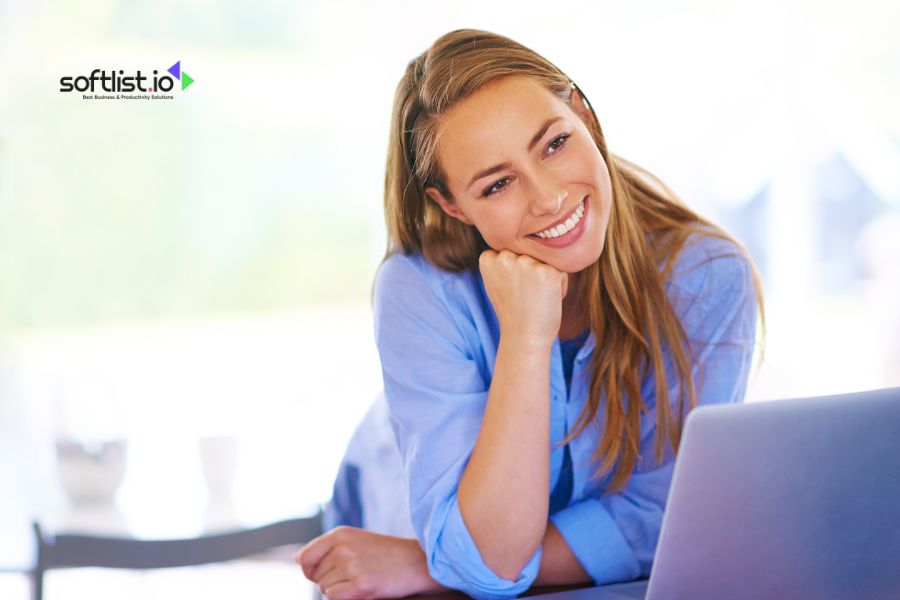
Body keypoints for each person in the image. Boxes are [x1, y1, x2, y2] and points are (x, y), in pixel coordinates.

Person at [295, 28, 764, 600]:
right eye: (496, 185)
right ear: (451, 204)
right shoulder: (419, 290)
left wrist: (428, 564)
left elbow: (663, 517)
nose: (547, 198)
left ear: (583, 115)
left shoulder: (705, 278)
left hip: (426, 563)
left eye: (553, 144)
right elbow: (487, 558)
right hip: (382, 527)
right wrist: (526, 334)